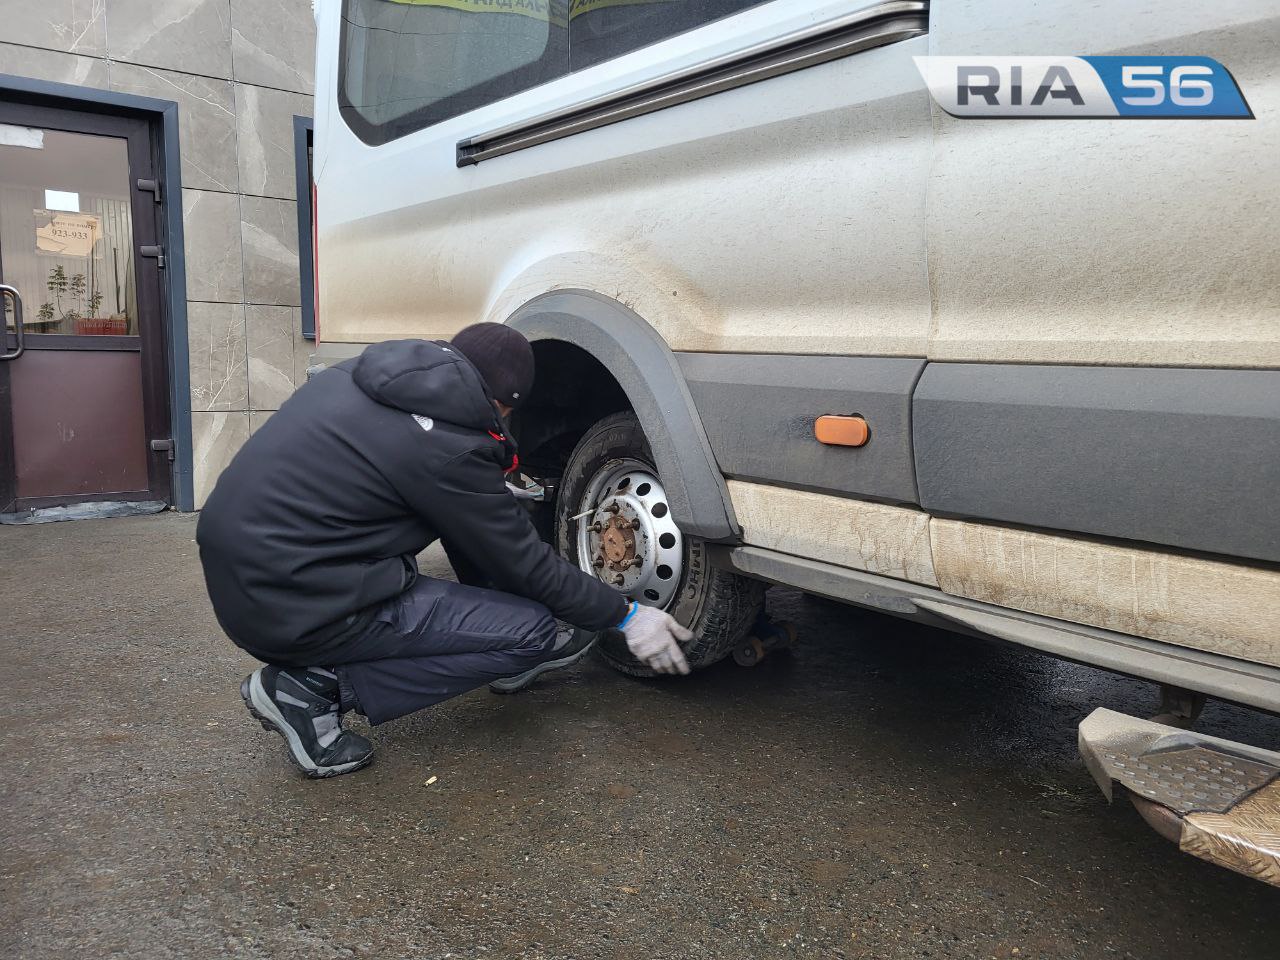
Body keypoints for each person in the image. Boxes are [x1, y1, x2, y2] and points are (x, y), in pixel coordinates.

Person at [196, 323, 692, 778]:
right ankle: (312, 690)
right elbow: (525, 563)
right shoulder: (450, 448)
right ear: (504, 404)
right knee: (535, 632)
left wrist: (486, 498)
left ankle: (324, 670)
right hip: (296, 602)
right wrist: (626, 616)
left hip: (248, 570)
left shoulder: (363, 377)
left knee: (473, 535)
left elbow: (388, 476)